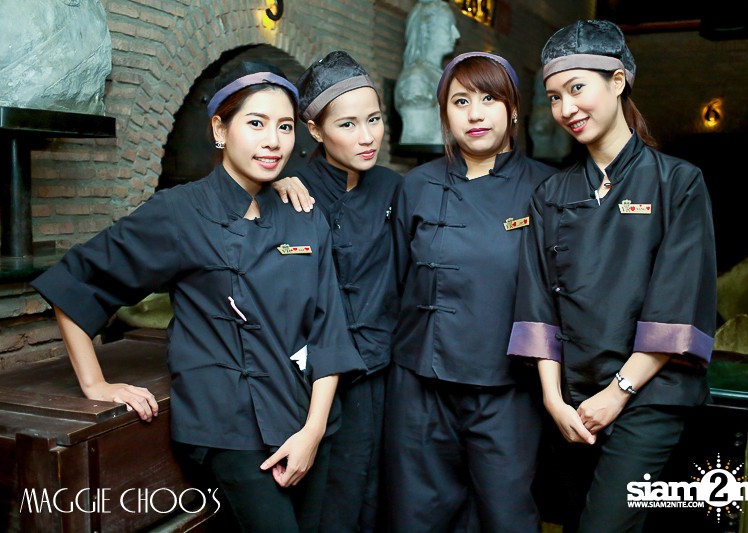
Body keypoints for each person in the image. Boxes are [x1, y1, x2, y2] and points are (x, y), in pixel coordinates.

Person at [31, 61, 365, 533]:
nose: (273, 141)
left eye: (285, 126)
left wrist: (312, 432)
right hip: (231, 430)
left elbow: (329, 329)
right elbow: (75, 280)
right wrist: (96, 383)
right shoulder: (179, 212)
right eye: (256, 123)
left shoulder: (303, 213)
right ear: (220, 130)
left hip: (310, 421)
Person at [507, 20, 716, 533]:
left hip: (650, 395)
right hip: (573, 401)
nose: (566, 109)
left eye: (577, 88)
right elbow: (537, 304)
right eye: (554, 97)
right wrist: (554, 400)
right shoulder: (550, 195)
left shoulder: (677, 183)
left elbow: (677, 305)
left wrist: (618, 392)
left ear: (618, 81)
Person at [385, 51, 555, 532]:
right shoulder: (416, 185)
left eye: (489, 99)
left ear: (513, 109)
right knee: (415, 519)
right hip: (420, 387)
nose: (475, 114)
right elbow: (395, 284)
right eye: (460, 101)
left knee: (505, 517)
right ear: (444, 112)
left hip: (507, 390)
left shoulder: (546, 189)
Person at [290, 50, 402, 533]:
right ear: (315, 131)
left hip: (384, 374)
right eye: (348, 124)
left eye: (374, 120)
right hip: (312, 382)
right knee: (325, 507)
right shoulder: (290, 192)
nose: (367, 136)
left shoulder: (396, 190)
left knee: (379, 500)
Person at [394, 0, 460, 145]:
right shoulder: (416, 78)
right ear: (426, 31)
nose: (456, 34)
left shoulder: (439, 75)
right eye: (448, 26)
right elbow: (418, 135)